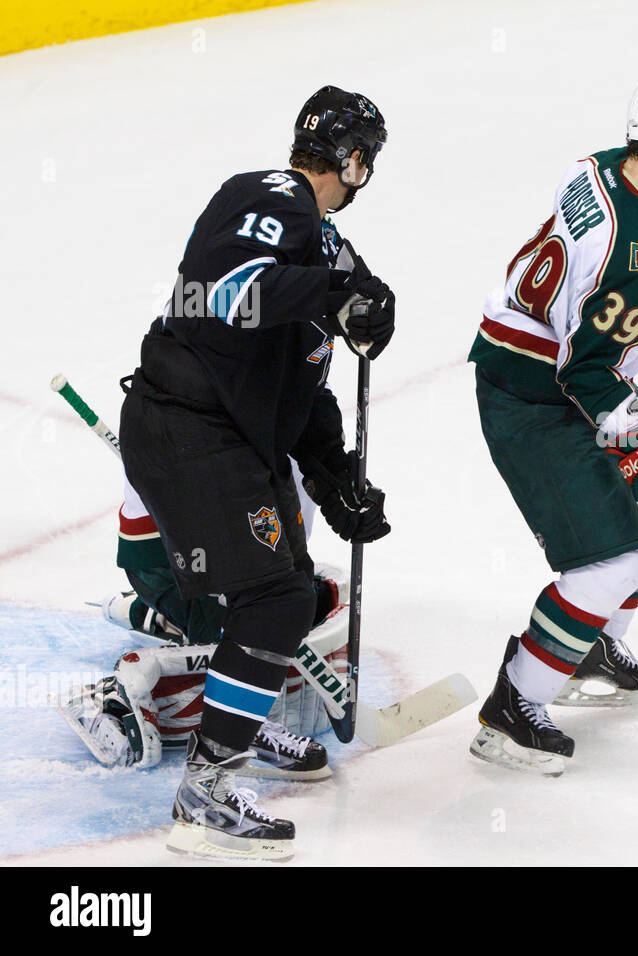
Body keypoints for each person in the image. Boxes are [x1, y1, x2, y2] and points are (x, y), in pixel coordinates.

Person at [118, 86, 395, 860]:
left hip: (227, 436)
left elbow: (299, 387)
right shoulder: (273, 196)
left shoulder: (327, 249)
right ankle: (207, 795)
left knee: (287, 589)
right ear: (355, 160)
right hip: (185, 426)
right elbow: (230, 296)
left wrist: (336, 478)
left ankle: (239, 729)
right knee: (274, 597)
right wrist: (336, 294)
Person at [466, 71, 638, 775]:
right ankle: (514, 706)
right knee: (613, 559)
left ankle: (588, 646)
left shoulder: (596, 167)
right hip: (536, 399)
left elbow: (589, 284)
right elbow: (587, 371)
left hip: (534, 367)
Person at [57, 472, 347, 780]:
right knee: (253, 631)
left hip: (232, 547)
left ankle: (162, 615)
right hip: (177, 556)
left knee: (300, 602)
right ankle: (238, 722)